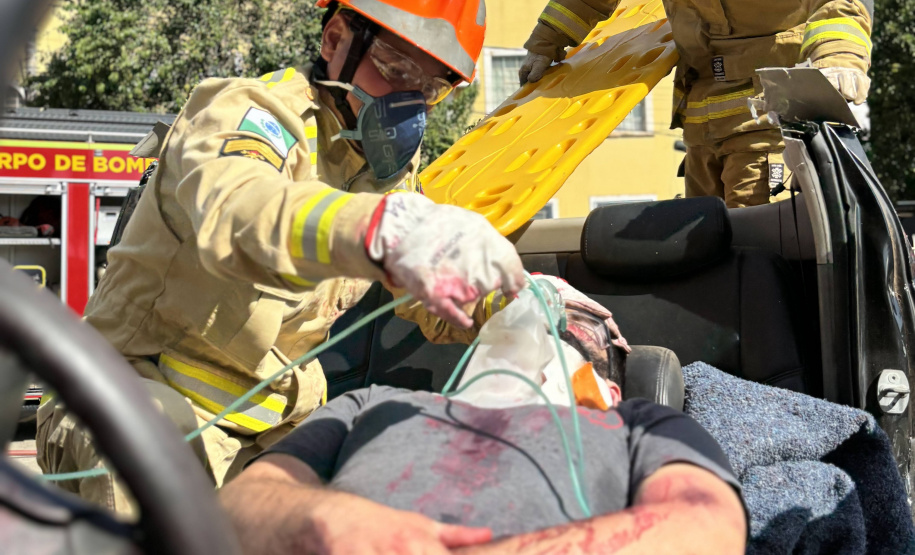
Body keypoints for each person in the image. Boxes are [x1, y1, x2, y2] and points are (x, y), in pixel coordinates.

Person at [37, 0, 537, 516]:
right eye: (397, 69)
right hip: (133, 404)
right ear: (336, 38)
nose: (411, 102)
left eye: (431, 89)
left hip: (272, 428)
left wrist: (517, 302)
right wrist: (377, 229)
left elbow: (427, 301)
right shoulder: (247, 113)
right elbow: (236, 211)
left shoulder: (382, 171)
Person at [220, 302, 747, 554]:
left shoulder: (641, 425)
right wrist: (324, 520)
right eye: (517, 315)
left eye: (572, 329)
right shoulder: (373, 403)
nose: (538, 325)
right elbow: (235, 507)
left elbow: (707, 528)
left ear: (608, 391)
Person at [519, 0, 873, 208]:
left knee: (759, 242)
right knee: (706, 247)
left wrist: (840, 59)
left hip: (766, 120)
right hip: (700, 123)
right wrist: (546, 42)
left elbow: (839, 6)